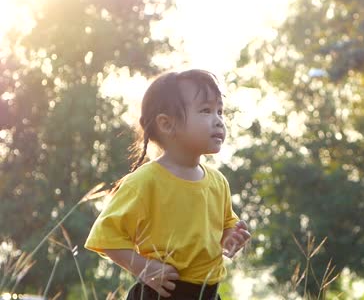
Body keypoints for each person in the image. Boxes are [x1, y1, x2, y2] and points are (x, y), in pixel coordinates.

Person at [85, 69, 251, 300]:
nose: (218, 121)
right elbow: (105, 237)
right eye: (206, 110)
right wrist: (144, 268)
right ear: (167, 124)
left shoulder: (218, 182)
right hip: (163, 292)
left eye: (220, 111)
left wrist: (230, 239)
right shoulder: (144, 182)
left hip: (209, 293)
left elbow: (223, 229)